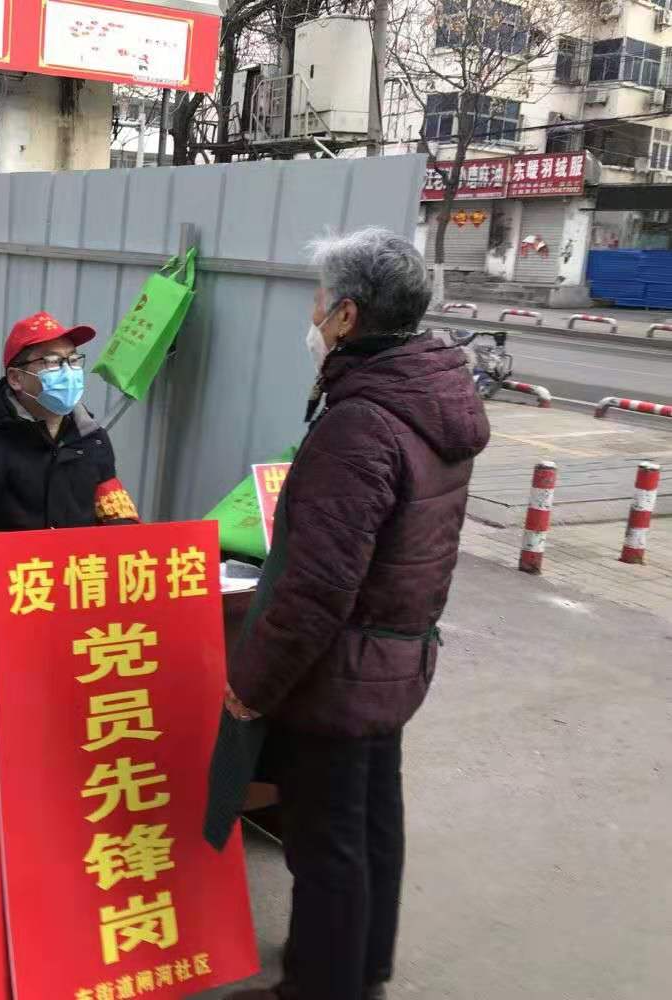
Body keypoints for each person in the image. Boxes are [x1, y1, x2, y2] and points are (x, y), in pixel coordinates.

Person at [223, 228, 489, 1000]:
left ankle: (320, 985)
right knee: (372, 819)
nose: (312, 315)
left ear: (346, 315)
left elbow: (317, 587)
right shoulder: (431, 395)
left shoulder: (361, 423)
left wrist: (252, 685)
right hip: (398, 652)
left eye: (319, 300)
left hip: (341, 669)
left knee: (325, 839)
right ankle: (364, 965)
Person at [0, 311, 138, 531]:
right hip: (15, 556)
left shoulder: (93, 441)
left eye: (73, 360)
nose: (68, 372)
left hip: (80, 556)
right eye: (52, 362)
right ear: (15, 378)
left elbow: (119, 518)